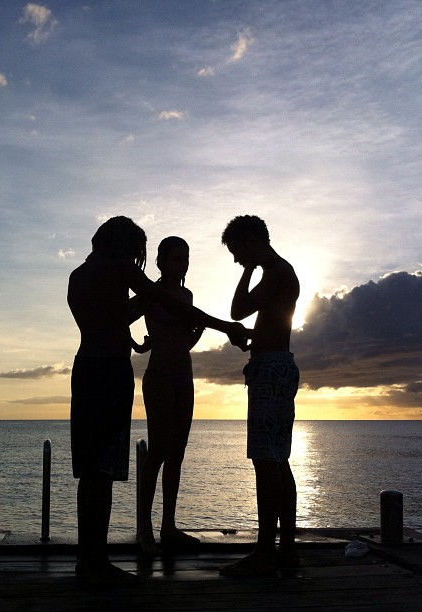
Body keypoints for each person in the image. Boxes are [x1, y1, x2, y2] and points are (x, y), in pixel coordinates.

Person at [67, 216, 249, 585]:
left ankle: (89, 560)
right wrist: (227, 327)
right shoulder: (120, 269)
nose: (138, 259)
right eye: (137, 251)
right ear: (124, 245)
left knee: (90, 471)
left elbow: (111, 319)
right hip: (111, 372)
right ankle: (99, 562)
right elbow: (169, 304)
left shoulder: (78, 276)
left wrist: (136, 341)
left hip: (85, 369)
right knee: (104, 470)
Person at [219, 215, 300, 577]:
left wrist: (248, 270)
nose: (237, 259)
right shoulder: (280, 273)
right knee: (278, 459)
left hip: (271, 370)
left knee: (267, 460)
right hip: (274, 365)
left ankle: (266, 552)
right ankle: (286, 549)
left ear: (253, 241)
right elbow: (271, 323)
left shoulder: (276, 272)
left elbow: (238, 309)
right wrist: (254, 338)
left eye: (238, 251)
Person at [130, 236, 204, 556]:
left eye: (185, 259)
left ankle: (168, 526)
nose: (182, 264)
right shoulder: (150, 293)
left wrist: (198, 329)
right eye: (176, 259)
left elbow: (185, 339)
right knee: (158, 450)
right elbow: (120, 316)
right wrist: (139, 344)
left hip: (184, 379)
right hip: (159, 377)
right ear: (160, 261)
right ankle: (144, 528)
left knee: (177, 453)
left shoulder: (187, 296)